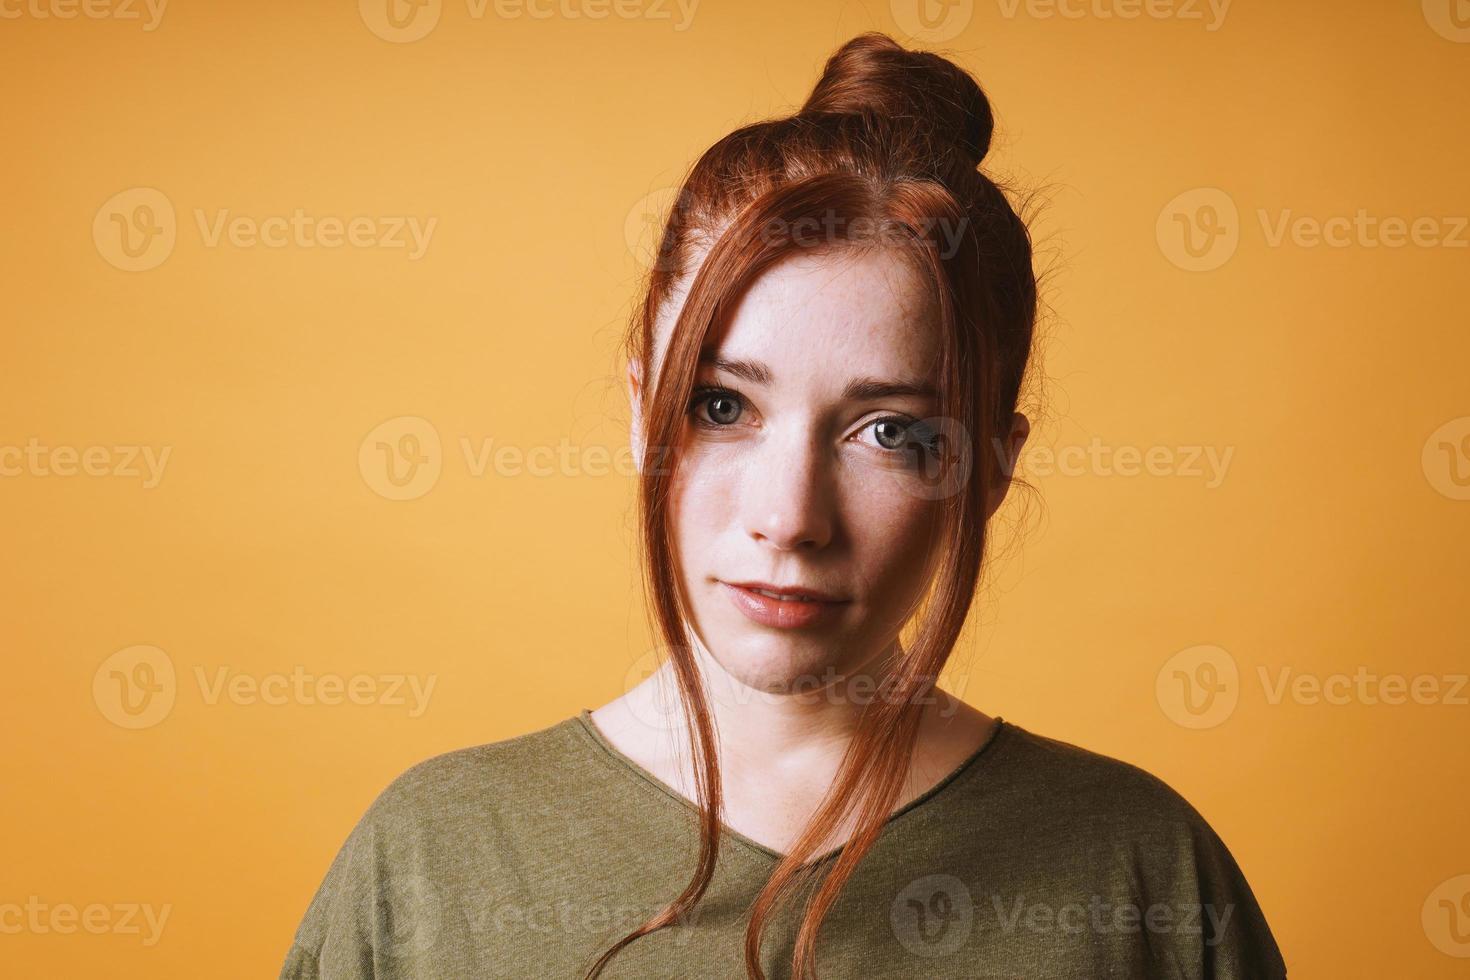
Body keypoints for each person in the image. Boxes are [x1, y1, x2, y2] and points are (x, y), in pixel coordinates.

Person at [281, 31, 1287, 979]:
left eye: (891, 431)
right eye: (723, 405)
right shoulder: (429, 857)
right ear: (645, 410)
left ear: (987, 465)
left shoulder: (1141, 872)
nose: (791, 515)